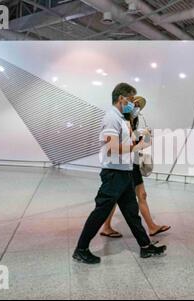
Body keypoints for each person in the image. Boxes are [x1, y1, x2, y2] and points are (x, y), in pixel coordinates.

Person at [72, 83, 167, 264]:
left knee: (132, 213)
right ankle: (81, 249)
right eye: (131, 100)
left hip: (125, 173)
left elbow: (127, 143)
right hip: (113, 174)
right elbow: (111, 148)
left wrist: (142, 136)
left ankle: (146, 247)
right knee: (100, 212)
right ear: (121, 98)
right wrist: (136, 146)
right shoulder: (111, 118)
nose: (133, 104)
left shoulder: (122, 119)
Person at [100, 96, 171, 238]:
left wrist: (146, 136)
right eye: (135, 104)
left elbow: (139, 144)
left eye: (139, 106)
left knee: (140, 195)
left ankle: (151, 227)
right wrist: (139, 135)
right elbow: (123, 143)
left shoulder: (133, 121)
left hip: (132, 163)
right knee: (114, 199)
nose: (137, 108)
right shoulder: (119, 120)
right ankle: (106, 227)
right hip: (121, 165)